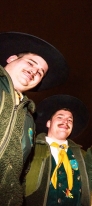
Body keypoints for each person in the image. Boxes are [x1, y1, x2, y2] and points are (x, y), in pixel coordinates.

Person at [0, 32, 68, 205]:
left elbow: (20, 173)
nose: (35, 71)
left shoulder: (29, 119)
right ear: (11, 58)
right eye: (31, 63)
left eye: (41, 72)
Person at [24, 94, 91, 206]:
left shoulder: (83, 155)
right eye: (60, 117)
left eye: (70, 120)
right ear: (48, 123)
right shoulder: (30, 149)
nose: (66, 122)